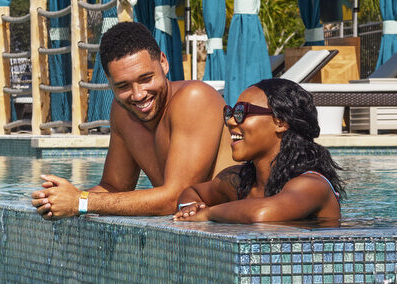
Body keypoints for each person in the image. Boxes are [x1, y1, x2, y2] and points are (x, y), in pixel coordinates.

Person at [32, 20, 233, 219]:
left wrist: (82, 202)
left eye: (145, 79)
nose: (138, 95)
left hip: (233, 229)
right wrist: (58, 199)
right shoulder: (123, 112)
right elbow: (114, 187)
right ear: (109, 83)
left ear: (163, 62)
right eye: (123, 86)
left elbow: (177, 199)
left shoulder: (194, 99)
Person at [174, 78, 342, 225]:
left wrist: (208, 213)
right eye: (230, 113)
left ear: (280, 122)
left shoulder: (312, 185)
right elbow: (192, 192)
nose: (231, 121)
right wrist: (189, 207)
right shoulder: (238, 182)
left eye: (241, 112)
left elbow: (261, 214)